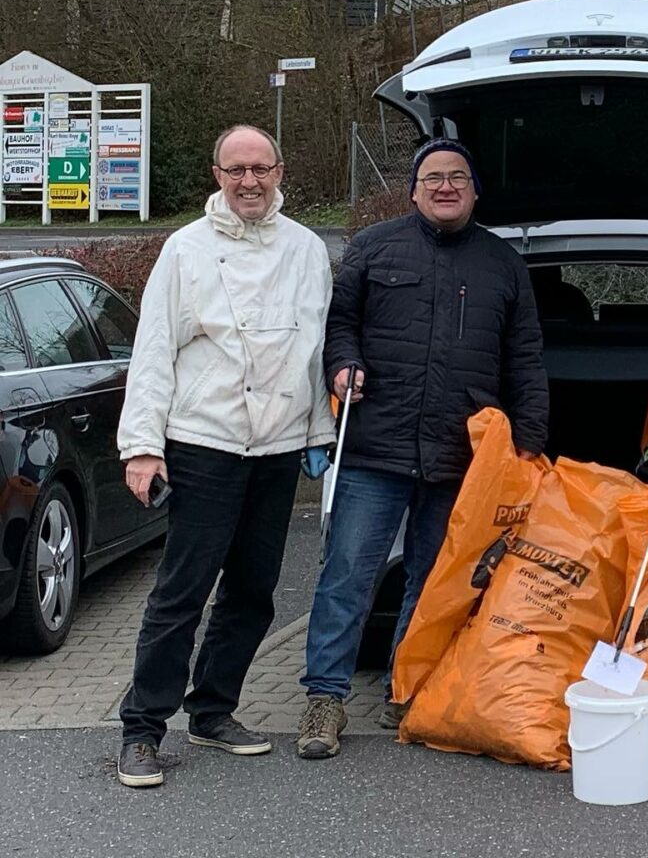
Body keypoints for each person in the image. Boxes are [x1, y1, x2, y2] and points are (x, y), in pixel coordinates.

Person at [297, 138, 549, 759]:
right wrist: (344, 365)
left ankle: (406, 691)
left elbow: (526, 361)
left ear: (474, 190)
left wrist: (530, 445)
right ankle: (324, 701)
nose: (445, 187)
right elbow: (339, 324)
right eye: (432, 178)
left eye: (457, 178)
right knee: (347, 576)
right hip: (374, 447)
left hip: (462, 453)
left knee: (436, 580)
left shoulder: (502, 263)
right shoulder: (373, 246)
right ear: (413, 190)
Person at [115, 126, 336, 788]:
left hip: (276, 449)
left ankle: (212, 712)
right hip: (203, 444)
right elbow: (153, 350)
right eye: (236, 170)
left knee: (252, 591)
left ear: (279, 171)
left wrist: (319, 434)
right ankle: (142, 730)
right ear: (216, 174)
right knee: (181, 593)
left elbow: (316, 347)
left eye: (260, 169)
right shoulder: (186, 250)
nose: (249, 181)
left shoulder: (306, 248)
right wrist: (142, 448)